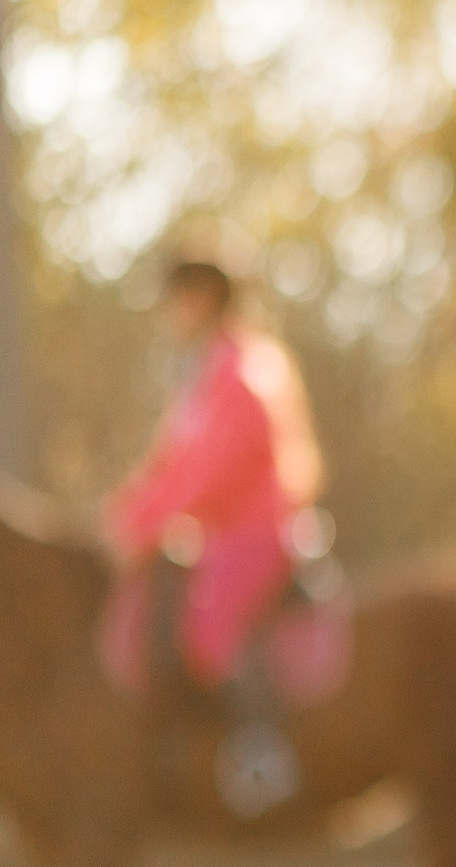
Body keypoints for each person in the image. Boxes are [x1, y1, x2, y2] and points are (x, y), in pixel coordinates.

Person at [105, 259, 323, 816]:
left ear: (205, 297)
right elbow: (173, 466)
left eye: (180, 297)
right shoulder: (199, 376)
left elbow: (218, 470)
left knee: (209, 621)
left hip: (256, 532)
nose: (173, 311)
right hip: (216, 533)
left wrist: (152, 524)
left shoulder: (247, 368)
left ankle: (260, 750)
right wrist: (124, 519)